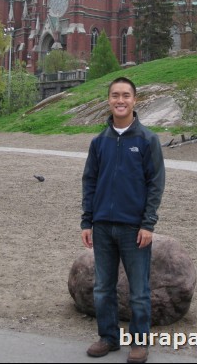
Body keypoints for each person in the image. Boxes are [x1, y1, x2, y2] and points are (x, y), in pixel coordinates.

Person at [81, 77, 165, 364]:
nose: (120, 100)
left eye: (126, 95)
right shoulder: (99, 142)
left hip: (134, 229)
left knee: (139, 290)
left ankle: (139, 342)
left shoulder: (147, 140)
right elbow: (89, 181)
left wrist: (148, 224)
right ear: (108, 100)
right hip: (103, 226)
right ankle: (108, 337)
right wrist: (86, 222)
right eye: (115, 95)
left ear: (134, 100)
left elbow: (156, 184)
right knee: (103, 287)